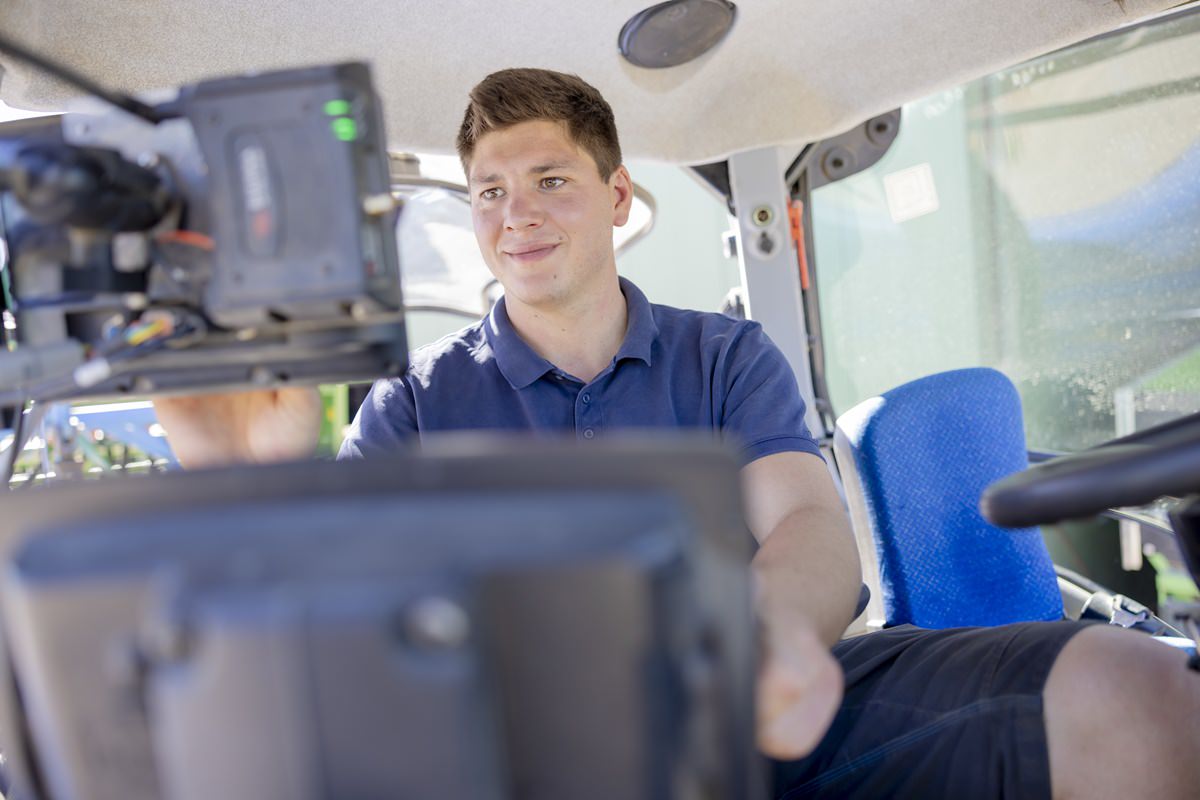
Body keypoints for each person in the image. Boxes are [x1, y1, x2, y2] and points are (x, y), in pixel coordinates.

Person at [156, 68, 1200, 799]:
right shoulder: (416, 405)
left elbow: (801, 519)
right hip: (520, 751)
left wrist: (766, 637)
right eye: (489, 192)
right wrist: (244, 471)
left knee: (1136, 690)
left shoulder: (725, 356)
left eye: (549, 180)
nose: (514, 214)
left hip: (747, 705)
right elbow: (322, 612)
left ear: (615, 196)